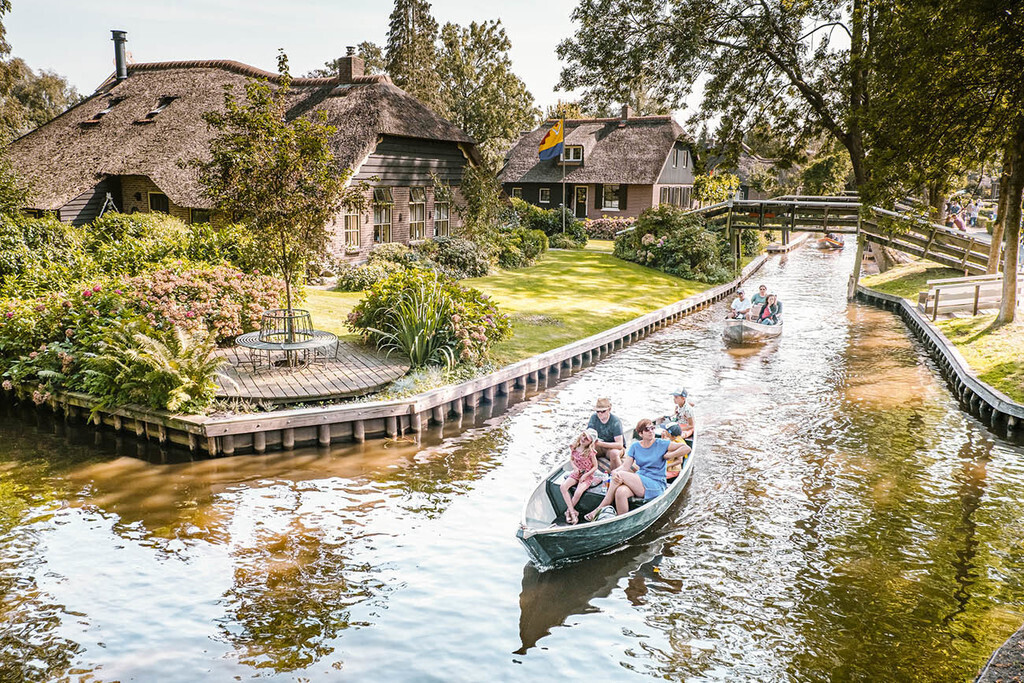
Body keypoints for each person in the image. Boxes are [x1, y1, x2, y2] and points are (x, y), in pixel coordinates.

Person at [584, 418, 690, 520]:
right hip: (640, 479)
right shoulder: (635, 446)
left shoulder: (661, 443)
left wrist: (669, 456)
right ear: (640, 434)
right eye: (647, 429)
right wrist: (615, 471)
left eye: (652, 428)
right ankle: (622, 522)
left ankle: (599, 508)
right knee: (620, 492)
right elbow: (625, 467)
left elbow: (686, 448)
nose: (651, 431)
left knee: (620, 475)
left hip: (656, 483)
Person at [559, 427, 600, 524]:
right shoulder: (574, 447)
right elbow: (572, 459)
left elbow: (595, 467)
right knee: (563, 487)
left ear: (590, 442)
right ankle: (572, 512)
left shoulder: (590, 452)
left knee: (578, 492)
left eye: (587, 439)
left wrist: (585, 475)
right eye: (583, 435)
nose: (583, 439)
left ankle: (569, 512)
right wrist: (575, 468)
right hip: (577, 473)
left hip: (586, 475)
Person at [587, 397, 625, 470]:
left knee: (614, 454)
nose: (600, 414)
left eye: (603, 411)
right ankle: (582, 472)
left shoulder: (615, 421)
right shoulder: (594, 417)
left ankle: (618, 476)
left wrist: (600, 444)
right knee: (585, 449)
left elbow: (619, 445)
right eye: (598, 411)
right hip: (598, 446)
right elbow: (589, 434)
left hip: (612, 447)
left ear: (609, 409)